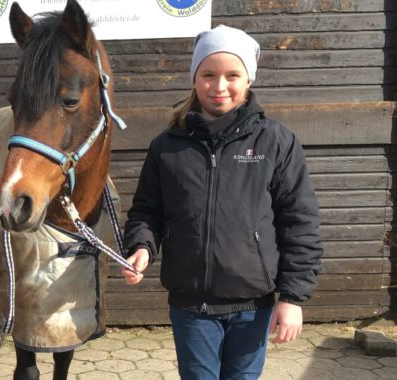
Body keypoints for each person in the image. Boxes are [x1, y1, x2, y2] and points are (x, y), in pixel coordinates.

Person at [120, 25, 323, 379]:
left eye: (232, 75)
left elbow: (299, 222)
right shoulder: (167, 146)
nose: (219, 86)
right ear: (194, 78)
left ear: (249, 80)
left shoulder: (275, 142)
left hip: (253, 306)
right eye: (209, 75)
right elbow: (147, 211)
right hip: (191, 307)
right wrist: (141, 245)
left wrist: (292, 298)